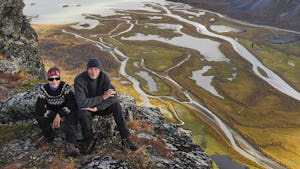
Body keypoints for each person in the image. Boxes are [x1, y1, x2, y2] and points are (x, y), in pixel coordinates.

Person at [74, 58, 138, 154]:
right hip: (86, 108)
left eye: (96, 69)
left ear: (99, 70)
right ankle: (89, 140)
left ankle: (126, 139)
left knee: (116, 105)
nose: (93, 72)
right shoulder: (80, 79)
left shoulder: (103, 77)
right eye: (91, 69)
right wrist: (103, 97)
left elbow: (114, 96)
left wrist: (97, 107)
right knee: (82, 113)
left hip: (98, 107)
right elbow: (81, 103)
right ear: (87, 69)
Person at [35, 67, 80, 157]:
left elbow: (72, 103)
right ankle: (48, 135)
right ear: (48, 79)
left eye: (57, 78)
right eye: (51, 79)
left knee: (72, 115)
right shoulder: (43, 89)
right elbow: (39, 108)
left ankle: (71, 143)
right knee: (40, 116)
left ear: (60, 78)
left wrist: (60, 114)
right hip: (52, 112)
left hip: (65, 111)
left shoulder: (65, 87)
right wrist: (55, 115)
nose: (54, 81)